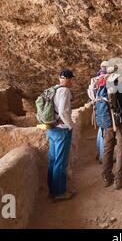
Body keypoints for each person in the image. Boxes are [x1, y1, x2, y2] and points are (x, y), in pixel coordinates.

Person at [98, 68, 122, 190]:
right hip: (118, 121)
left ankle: (107, 177)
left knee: (108, 148)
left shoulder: (101, 83)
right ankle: (119, 179)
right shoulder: (118, 83)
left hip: (106, 121)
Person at [46, 69, 76, 201]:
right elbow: (63, 111)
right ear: (68, 79)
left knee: (53, 160)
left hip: (51, 128)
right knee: (60, 162)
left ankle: (52, 190)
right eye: (72, 79)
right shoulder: (64, 91)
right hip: (61, 129)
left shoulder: (54, 89)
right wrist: (70, 125)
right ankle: (59, 193)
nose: (72, 82)